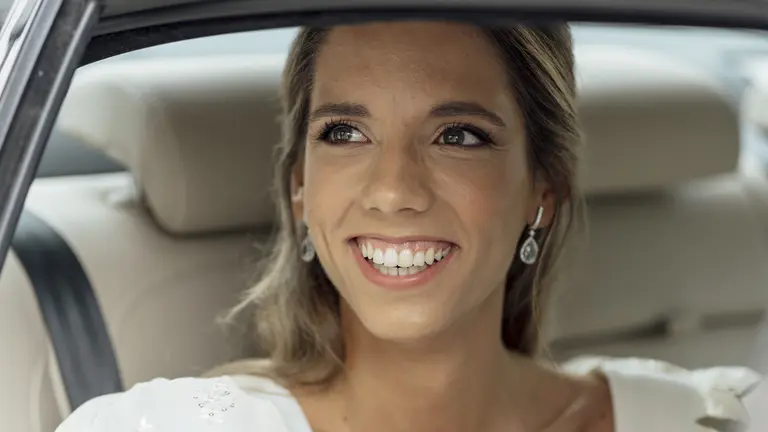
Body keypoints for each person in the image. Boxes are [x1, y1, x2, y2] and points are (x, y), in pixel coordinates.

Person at [56, 21, 760, 432]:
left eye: (458, 135)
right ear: (301, 189)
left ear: (542, 194)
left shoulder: (715, 416)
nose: (393, 191)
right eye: (344, 132)